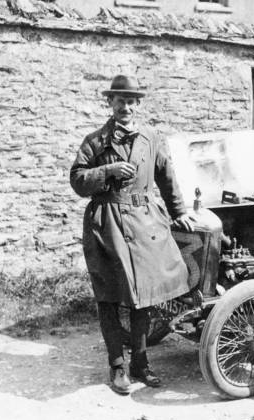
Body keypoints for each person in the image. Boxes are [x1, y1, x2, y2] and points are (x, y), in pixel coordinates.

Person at [70, 74, 194, 395]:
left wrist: (179, 213)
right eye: (119, 100)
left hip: (144, 221)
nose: (125, 106)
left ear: (138, 104)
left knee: (145, 296)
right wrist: (107, 171)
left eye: (130, 101)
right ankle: (117, 366)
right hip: (106, 224)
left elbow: (167, 177)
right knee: (110, 296)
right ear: (109, 103)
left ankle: (140, 362)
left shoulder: (152, 138)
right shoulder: (95, 141)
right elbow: (78, 180)